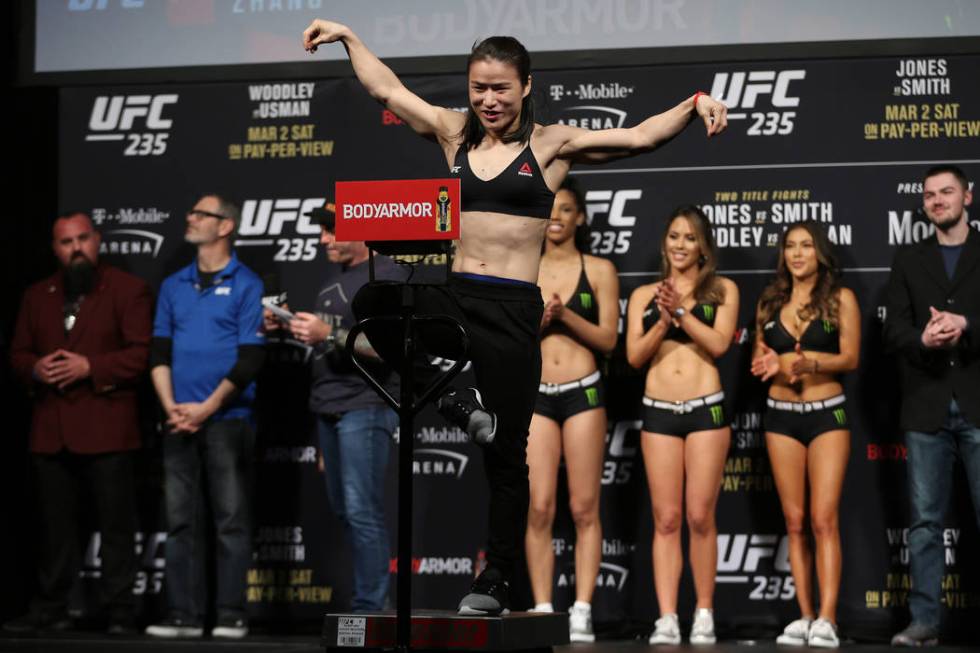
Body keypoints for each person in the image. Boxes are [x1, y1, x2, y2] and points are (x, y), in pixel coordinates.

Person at [302, 18, 728, 615]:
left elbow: (639, 138)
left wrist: (695, 102)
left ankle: (496, 578)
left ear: (526, 86)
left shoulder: (549, 146)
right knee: (374, 303)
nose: (488, 100)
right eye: (479, 88)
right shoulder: (454, 134)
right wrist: (349, 37)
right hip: (456, 290)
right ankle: (452, 401)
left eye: (500, 88)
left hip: (511, 307)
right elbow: (388, 91)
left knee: (506, 454)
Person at [7, 212, 152, 635]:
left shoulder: (128, 290)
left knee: (116, 527)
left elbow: (141, 354)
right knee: (55, 530)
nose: (76, 249)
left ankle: (120, 610)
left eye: (83, 239)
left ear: (98, 240)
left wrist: (90, 365)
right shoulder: (37, 295)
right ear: (55, 249)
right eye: (66, 242)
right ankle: (52, 606)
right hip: (51, 430)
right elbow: (17, 353)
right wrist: (35, 369)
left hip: (107, 426)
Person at [265, 203, 402, 611]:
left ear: (361, 229)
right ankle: (368, 600)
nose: (323, 240)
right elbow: (329, 341)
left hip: (365, 404)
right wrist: (290, 326)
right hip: (330, 408)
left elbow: (390, 348)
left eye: (330, 231)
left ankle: (371, 607)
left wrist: (331, 332)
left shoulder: (387, 276)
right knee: (346, 511)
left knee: (362, 511)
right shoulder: (333, 281)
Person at [146, 194, 266, 639]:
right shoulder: (174, 284)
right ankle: (182, 615)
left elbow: (251, 357)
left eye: (201, 213)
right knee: (179, 521)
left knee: (230, 520)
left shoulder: (247, 283)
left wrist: (206, 407)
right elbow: (158, 352)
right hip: (177, 418)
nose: (190, 217)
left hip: (227, 418)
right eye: (191, 210)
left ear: (225, 226)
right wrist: (172, 408)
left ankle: (231, 612)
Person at [625, 206, 738, 645]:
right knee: (667, 518)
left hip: (706, 409)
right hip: (658, 410)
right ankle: (668, 616)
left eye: (690, 238)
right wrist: (663, 315)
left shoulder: (722, 290)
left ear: (703, 246)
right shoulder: (644, 296)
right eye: (674, 236)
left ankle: (704, 612)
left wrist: (680, 313)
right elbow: (634, 357)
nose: (680, 245)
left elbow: (719, 344)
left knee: (699, 515)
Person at [750, 223, 860, 649]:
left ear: (820, 252)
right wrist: (766, 365)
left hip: (825, 414)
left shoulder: (840, 299)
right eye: (791, 246)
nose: (798, 254)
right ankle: (805, 615)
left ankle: (828, 619)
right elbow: (762, 357)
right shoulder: (769, 300)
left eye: (806, 245)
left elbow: (851, 357)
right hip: (780, 416)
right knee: (794, 522)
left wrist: (809, 364)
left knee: (822, 519)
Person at [884, 165, 980, 647]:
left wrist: (967, 323)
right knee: (924, 523)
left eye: (946, 192)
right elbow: (892, 329)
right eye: (929, 195)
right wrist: (922, 337)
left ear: (968, 195)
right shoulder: (908, 259)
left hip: (978, 402)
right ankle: (924, 623)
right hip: (926, 407)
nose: (937, 200)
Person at [524, 178, 618, 641]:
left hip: (584, 391)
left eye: (566, 210)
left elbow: (608, 341)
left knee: (584, 507)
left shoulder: (598, 269)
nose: (556, 217)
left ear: (580, 217)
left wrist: (564, 315)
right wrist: (537, 323)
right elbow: (509, 342)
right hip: (537, 395)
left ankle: (581, 608)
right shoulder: (523, 268)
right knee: (539, 507)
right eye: (550, 209)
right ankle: (542, 607)